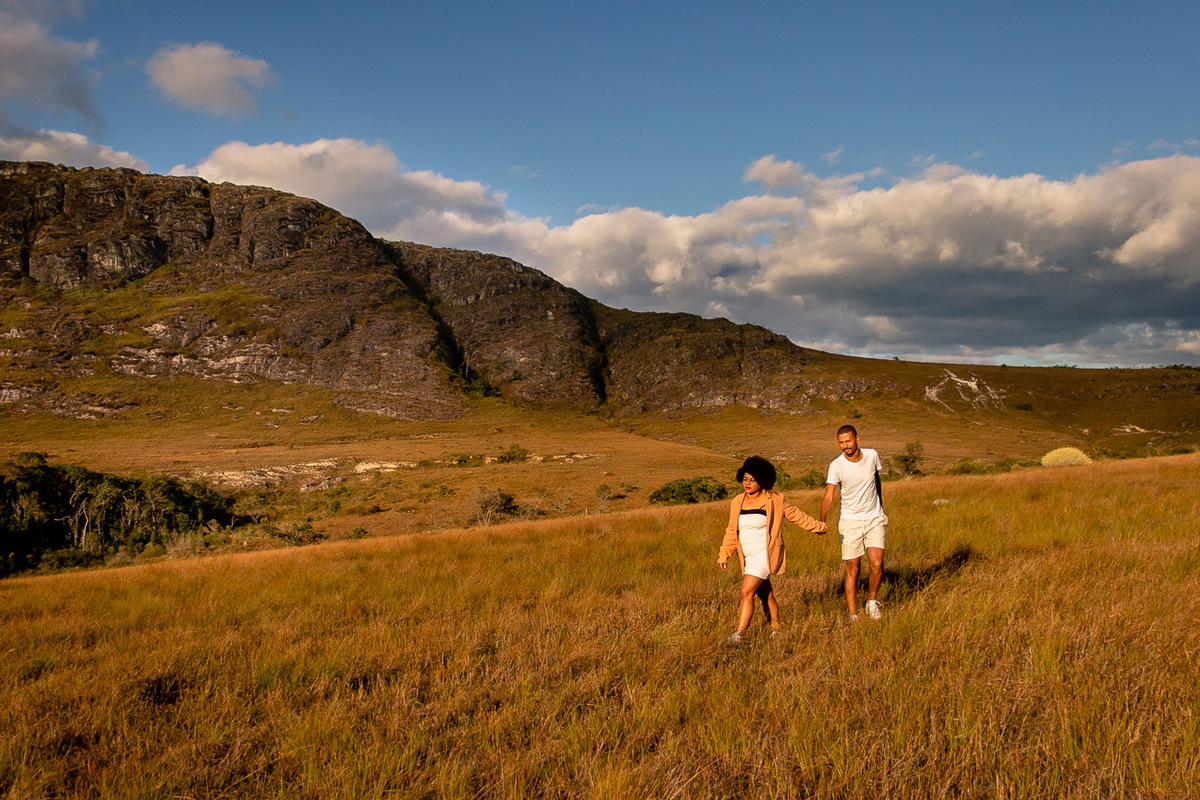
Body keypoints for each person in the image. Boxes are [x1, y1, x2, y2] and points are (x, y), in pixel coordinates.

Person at [717, 456, 827, 643]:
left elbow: (796, 516)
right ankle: (776, 629)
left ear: (763, 479)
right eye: (745, 479)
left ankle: (739, 633)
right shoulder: (737, 501)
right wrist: (724, 554)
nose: (748, 483)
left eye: (753, 479)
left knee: (746, 592)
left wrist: (818, 527)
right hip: (747, 556)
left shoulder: (775, 500)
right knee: (765, 594)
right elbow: (731, 530)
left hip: (765, 555)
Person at [821, 425, 888, 622]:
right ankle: (852, 613)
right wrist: (822, 521)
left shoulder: (872, 455)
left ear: (857, 438)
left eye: (848, 441)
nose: (845, 446)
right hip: (850, 521)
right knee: (853, 566)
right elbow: (828, 496)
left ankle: (871, 602)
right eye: (841, 443)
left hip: (874, 517)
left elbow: (876, 482)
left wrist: (881, 508)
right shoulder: (836, 465)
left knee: (876, 564)